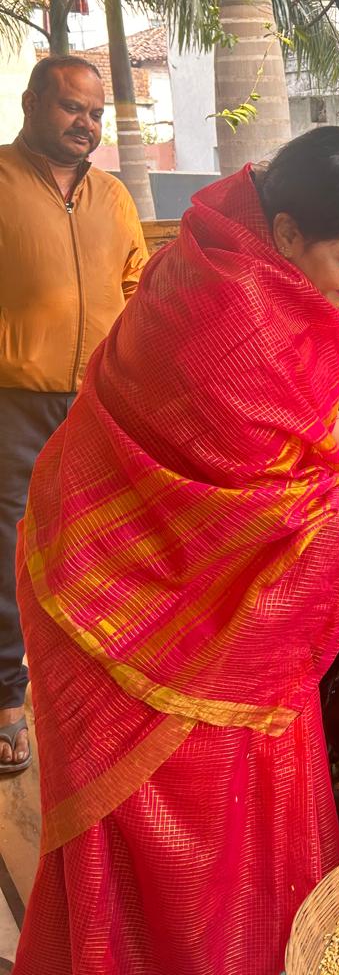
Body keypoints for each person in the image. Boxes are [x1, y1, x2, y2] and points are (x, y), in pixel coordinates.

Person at [13, 127, 339, 975]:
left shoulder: (241, 256)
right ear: (287, 234)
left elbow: (308, 430)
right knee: (173, 819)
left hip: (158, 563)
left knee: (257, 774)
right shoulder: (232, 319)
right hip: (128, 598)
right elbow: (278, 511)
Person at [0, 55, 148, 775]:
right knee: (9, 546)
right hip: (13, 402)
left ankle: (93, 691)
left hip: (99, 402)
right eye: (71, 108)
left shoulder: (114, 196)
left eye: (95, 114)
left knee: (100, 543)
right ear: (32, 103)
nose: (86, 124)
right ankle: (6, 697)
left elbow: (138, 289)